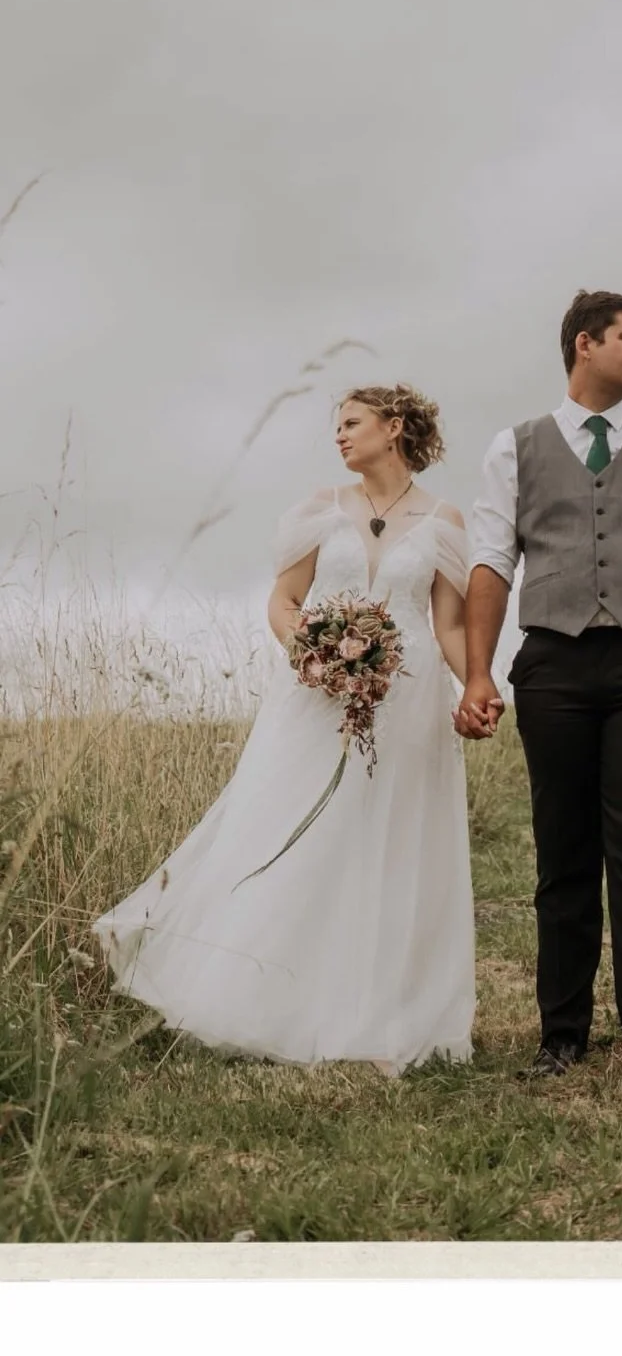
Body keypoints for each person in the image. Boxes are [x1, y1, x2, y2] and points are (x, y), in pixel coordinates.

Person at [94, 384, 476, 1075]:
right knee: (294, 828)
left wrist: (478, 683)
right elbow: (285, 600)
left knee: (392, 839)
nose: (339, 435)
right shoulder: (317, 510)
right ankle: (265, 994)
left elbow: (448, 622)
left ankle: (382, 1008)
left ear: (393, 428)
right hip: (315, 696)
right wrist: (311, 653)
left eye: (351, 423)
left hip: (411, 698)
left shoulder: (444, 521)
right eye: (336, 426)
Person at [454, 290, 622, 1099]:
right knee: (562, 856)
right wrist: (478, 672)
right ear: (584, 345)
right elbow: (491, 565)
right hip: (553, 667)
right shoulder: (516, 447)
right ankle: (560, 1034)